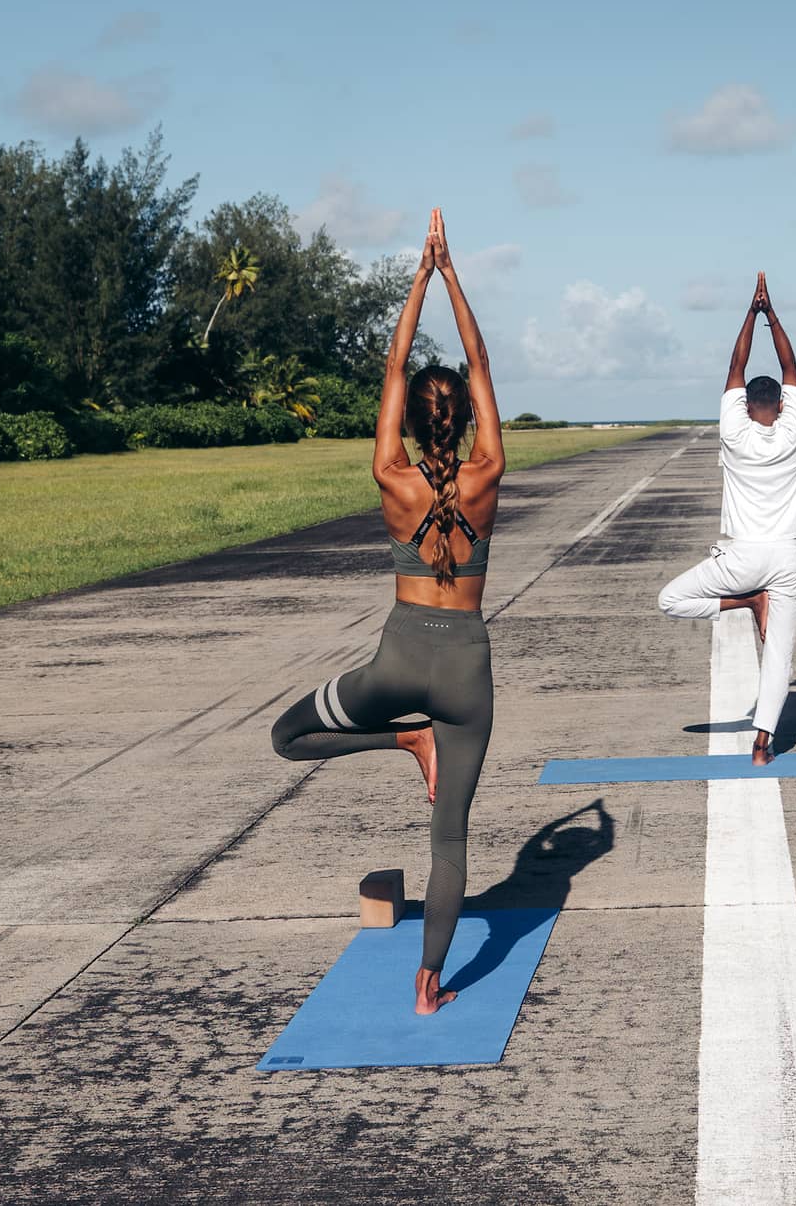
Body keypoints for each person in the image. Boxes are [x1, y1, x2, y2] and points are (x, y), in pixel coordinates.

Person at [271, 207, 504, 1016]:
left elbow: (398, 363)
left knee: (287, 737)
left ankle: (402, 734)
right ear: (469, 421)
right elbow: (475, 357)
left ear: (406, 423)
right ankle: (430, 982)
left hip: (397, 661)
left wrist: (420, 275)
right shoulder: (490, 471)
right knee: (449, 842)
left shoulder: (388, 475)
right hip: (467, 671)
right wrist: (453, 276)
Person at [657, 273, 796, 765]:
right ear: (783, 405)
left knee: (671, 599)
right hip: (787, 556)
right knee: (779, 656)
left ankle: (745, 602)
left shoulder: (733, 431)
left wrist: (751, 311)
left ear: (745, 406)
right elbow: (791, 363)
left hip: (743, 556)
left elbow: (735, 365)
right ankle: (762, 744)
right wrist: (773, 316)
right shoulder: (795, 429)